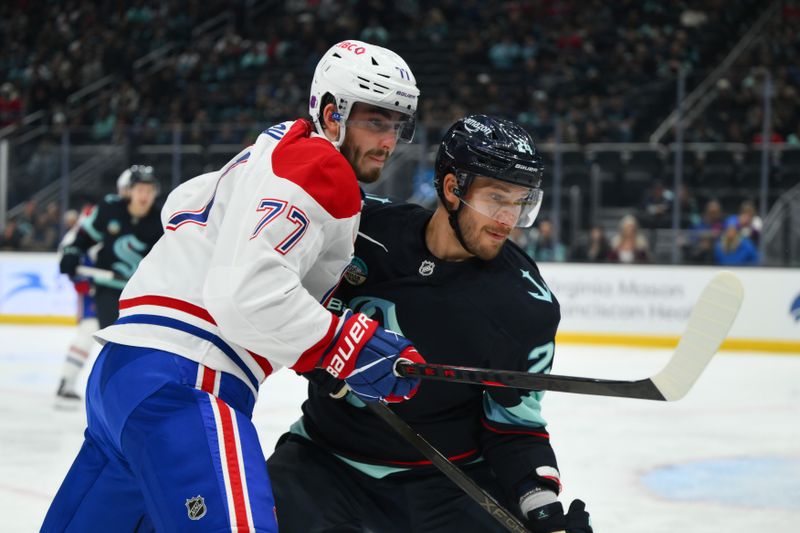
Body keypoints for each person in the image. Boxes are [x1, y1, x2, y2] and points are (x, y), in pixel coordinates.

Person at [42, 40, 425, 533]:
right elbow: (245, 295)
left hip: (121, 376)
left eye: (397, 125)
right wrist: (341, 343)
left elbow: (181, 205)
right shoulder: (322, 166)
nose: (388, 140)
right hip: (186, 379)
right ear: (332, 113)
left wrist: (320, 348)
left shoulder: (267, 151)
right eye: (375, 121)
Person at [267, 115, 592, 533]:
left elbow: (514, 428)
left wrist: (543, 509)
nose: (508, 219)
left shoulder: (525, 306)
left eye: (520, 202)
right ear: (453, 188)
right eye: (497, 198)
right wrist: (319, 351)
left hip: (445, 485)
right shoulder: (361, 228)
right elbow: (280, 300)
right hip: (323, 463)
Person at [54, 178, 133, 404]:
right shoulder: (102, 213)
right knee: (90, 329)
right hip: (96, 288)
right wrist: (79, 272)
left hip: (119, 288)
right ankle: (67, 381)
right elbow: (72, 247)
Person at [58, 165, 163, 328]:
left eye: (150, 191)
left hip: (141, 292)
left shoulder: (160, 221)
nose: (145, 195)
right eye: (140, 189)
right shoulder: (110, 209)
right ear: (130, 191)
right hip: (108, 289)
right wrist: (72, 252)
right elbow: (85, 237)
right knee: (113, 338)